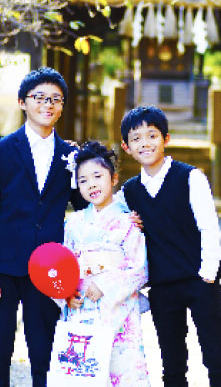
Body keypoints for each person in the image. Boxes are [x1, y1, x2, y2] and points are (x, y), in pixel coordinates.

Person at [0, 67, 87, 387]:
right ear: (23, 102)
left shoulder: (70, 155)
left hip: (50, 268)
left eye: (55, 99)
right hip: (3, 267)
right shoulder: (1, 151)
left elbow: (84, 206)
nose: (47, 104)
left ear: (62, 106)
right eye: (40, 97)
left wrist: (118, 217)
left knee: (45, 357)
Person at [120, 105, 221, 387]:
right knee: (172, 361)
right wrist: (127, 223)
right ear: (126, 147)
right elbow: (115, 226)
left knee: (216, 355)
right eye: (136, 138)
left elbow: (209, 227)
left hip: (200, 281)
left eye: (152, 135)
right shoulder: (129, 192)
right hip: (162, 286)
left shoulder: (190, 177)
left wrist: (208, 274)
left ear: (166, 139)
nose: (145, 143)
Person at [52, 140, 150, 386]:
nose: (91, 184)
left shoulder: (128, 221)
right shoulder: (73, 223)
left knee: (120, 370)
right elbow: (63, 265)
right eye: (83, 180)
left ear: (114, 178)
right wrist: (66, 294)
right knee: (83, 371)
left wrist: (105, 284)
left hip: (118, 308)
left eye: (98, 176)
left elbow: (140, 268)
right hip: (82, 305)